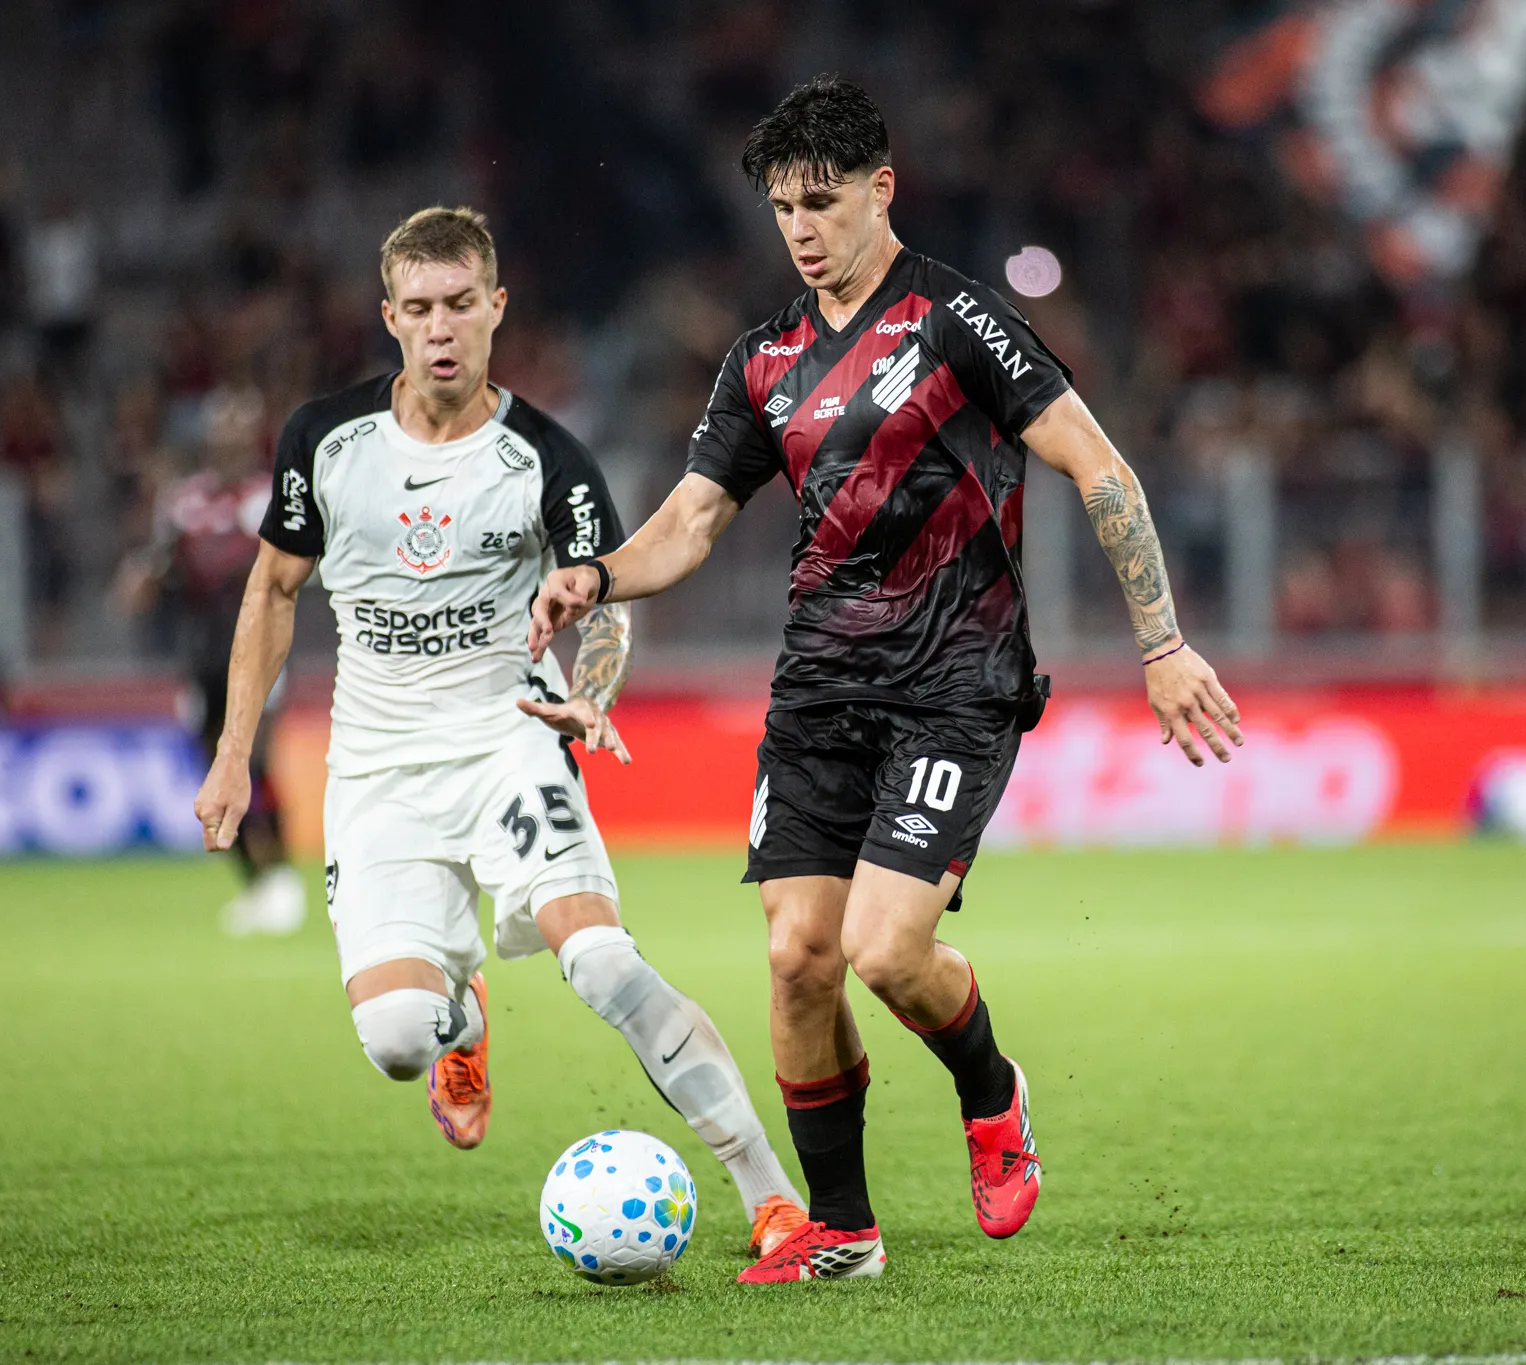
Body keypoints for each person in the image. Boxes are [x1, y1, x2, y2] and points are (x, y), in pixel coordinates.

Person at [530, 77, 1244, 1283]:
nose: (800, 229)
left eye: (820, 202)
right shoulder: (762, 359)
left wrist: (1162, 643)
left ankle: (990, 1087)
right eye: (779, 209)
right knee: (795, 958)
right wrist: (597, 576)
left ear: (880, 189)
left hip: (954, 683)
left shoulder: (960, 320)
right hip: (817, 689)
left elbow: (1102, 470)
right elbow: (693, 521)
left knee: (882, 949)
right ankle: (844, 1233)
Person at [191, 206, 807, 1253]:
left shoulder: (545, 458)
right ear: (389, 316)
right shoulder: (324, 443)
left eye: (461, 306)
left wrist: (593, 688)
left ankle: (771, 1198)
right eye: (420, 309)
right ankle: (460, 1019)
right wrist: (232, 756)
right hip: (377, 771)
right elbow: (272, 590)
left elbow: (602, 598)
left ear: (495, 309)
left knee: (603, 961)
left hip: (508, 741)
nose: (441, 329)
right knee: (394, 1039)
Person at [118, 387, 305, 935]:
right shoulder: (184, 503)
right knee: (214, 767)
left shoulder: (270, 496)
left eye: (237, 432)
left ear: (251, 438)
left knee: (256, 759)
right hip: (201, 654)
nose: (228, 442)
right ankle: (254, 881)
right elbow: (154, 567)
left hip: (261, 651)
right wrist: (142, 584)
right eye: (219, 432)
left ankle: (281, 877)